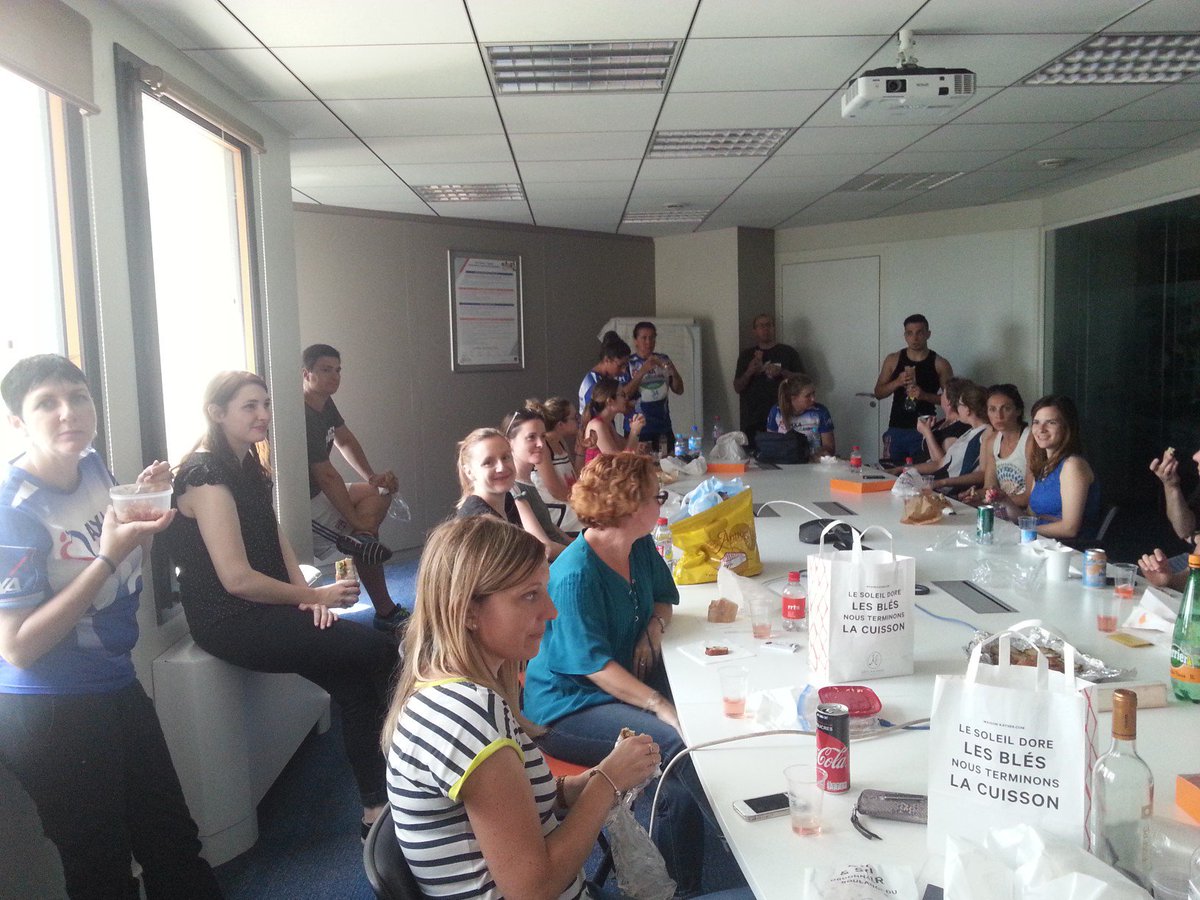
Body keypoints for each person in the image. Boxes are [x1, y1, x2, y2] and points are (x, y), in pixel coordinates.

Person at [0, 354, 221, 899]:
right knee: (100, 869)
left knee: (172, 838)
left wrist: (141, 509)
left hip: (114, 681)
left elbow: (123, 554)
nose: (69, 412)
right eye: (46, 403)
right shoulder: (13, 510)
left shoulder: (95, 466)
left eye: (79, 397)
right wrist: (107, 555)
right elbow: (18, 648)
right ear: (17, 423)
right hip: (52, 709)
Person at [165, 370, 398, 841]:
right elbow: (235, 580)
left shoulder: (248, 464)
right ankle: (413, 779)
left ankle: (377, 806)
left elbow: (274, 540)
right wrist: (313, 596)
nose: (264, 415)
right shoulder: (204, 475)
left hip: (267, 607)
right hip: (231, 620)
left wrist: (305, 600)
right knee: (381, 653)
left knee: (354, 684)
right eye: (249, 406)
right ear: (217, 413)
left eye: (266, 404)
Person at [382, 516, 662, 900]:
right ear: (467, 611)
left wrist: (586, 782)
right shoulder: (469, 716)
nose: (551, 611)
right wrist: (606, 783)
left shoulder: (452, 691)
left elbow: (517, 800)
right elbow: (533, 889)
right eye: (530, 595)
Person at [522, 453, 732, 896]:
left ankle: (683, 882)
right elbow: (594, 668)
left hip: (613, 684)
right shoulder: (576, 574)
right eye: (656, 495)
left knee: (693, 734)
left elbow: (663, 600)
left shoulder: (637, 547)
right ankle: (737, 834)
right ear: (630, 505)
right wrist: (659, 704)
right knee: (673, 742)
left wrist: (651, 630)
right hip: (567, 707)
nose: (662, 502)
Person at [302, 344, 405, 631]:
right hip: (302, 504)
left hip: (321, 492)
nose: (334, 377)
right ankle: (384, 610)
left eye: (337, 370)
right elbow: (327, 477)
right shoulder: (302, 413)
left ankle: (361, 539)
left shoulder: (323, 402)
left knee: (380, 492)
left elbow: (344, 439)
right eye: (325, 370)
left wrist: (372, 476)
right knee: (365, 531)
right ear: (306, 373)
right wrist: (356, 520)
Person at [991, 395, 1101, 541]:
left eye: (1051, 422)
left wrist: (1023, 531)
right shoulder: (1043, 465)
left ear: (1066, 427)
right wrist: (1004, 500)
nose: (1041, 429)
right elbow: (1029, 517)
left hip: (1067, 550)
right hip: (1040, 544)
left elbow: (1069, 529)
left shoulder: (1072, 465)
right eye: (1036, 422)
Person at [455, 428, 565, 560]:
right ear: (469, 472)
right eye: (488, 462)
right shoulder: (478, 522)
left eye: (506, 457)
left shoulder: (508, 500)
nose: (501, 467)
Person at [873, 314, 954, 464]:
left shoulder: (940, 363)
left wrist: (924, 396)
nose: (915, 338)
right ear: (905, 336)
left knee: (922, 477)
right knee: (890, 474)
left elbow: (953, 400)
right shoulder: (893, 359)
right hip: (896, 427)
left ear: (928, 334)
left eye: (919, 332)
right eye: (910, 333)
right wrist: (897, 382)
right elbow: (878, 393)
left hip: (925, 430)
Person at [501, 406, 571, 560]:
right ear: (509, 442)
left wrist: (577, 544)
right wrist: (580, 553)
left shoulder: (527, 482)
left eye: (543, 436)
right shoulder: (513, 488)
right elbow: (544, 547)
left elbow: (549, 526)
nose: (540, 443)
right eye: (531, 437)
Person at [733, 313, 804, 447]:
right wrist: (750, 371)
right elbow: (737, 387)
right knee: (755, 459)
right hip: (753, 418)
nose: (765, 329)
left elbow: (804, 382)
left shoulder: (788, 352)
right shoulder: (746, 355)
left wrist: (781, 372)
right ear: (754, 330)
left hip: (785, 417)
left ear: (773, 328)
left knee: (786, 454)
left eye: (768, 325)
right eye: (761, 326)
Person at [1139, 447, 1200, 589]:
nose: (1195, 456)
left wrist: (1171, 581)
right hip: (1191, 559)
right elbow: (1184, 530)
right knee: (1137, 581)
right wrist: (1170, 485)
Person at [916, 381, 989, 494]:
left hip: (951, 489)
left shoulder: (985, 434)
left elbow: (981, 474)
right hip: (940, 482)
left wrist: (942, 482)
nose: (957, 408)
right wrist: (904, 470)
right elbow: (942, 462)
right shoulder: (970, 431)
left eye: (959, 405)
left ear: (968, 409)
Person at [966, 384, 1031, 507]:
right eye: (992, 409)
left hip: (1022, 514)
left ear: (1018, 410)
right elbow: (989, 488)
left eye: (1006, 409)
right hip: (999, 510)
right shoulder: (992, 441)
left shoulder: (1029, 440)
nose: (999, 416)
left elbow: (1028, 498)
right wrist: (976, 495)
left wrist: (989, 500)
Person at [624, 321, 684, 453]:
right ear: (636, 341)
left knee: (668, 465)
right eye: (644, 338)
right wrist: (643, 371)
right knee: (640, 469)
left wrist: (672, 370)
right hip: (639, 429)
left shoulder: (663, 359)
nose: (648, 342)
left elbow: (679, 390)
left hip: (663, 427)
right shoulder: (628, 363)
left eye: (652, 338)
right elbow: (624, 395)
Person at [529, 397, 584, 533]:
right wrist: (586, 501)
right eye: (574, 417)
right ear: (561, 424)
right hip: (557, 511)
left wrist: (581, 452)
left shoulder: (560, 442)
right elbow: (556, 491)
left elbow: (576, 478)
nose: (579, 421)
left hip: (569, 502)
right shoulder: (544, 446)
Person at [765, 374, 835, 459]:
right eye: (808, 396)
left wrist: (821, 453)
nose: (813, 399)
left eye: (814, 394)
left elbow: (830, 447)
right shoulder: (776, 411)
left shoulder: (820, 411)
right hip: (785, 463)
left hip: (813, 463)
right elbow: (770, 444)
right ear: (793, 398)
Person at [583, 378, 645, 463]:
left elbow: (624, 450)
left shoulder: (608, 424)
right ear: (610, 401)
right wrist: (634, 432)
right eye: (622, 395)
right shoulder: (597, 426)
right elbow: (618, 462)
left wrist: (637, 444)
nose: (626, 398)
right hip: (599, 476)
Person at [578, 331, 632, 416]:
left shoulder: (608, 378)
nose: (624, 370)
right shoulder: (593, 384)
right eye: (620, 365)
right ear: (607, 360)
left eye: (626, 365)